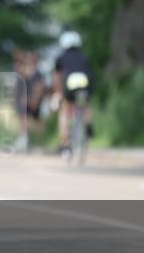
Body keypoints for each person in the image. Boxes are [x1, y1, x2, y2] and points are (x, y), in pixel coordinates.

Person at [53, 31, 95, 159]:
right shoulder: (85, 57)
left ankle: (65, 144)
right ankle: (88, 125)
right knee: (86, 104)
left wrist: (58, 92)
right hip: (85, 84)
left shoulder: (61, 58)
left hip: (70, 85)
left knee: (65, 111)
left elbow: (57, 78)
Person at [12, 50, 45, 151]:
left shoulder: (37, 73)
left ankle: (37, 141)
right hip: (25, 99)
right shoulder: (23, 70)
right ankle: (25, 139)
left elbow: (39, 87)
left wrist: (35, 100)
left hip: (32, 100)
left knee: (34, 121)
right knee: (25, 119)